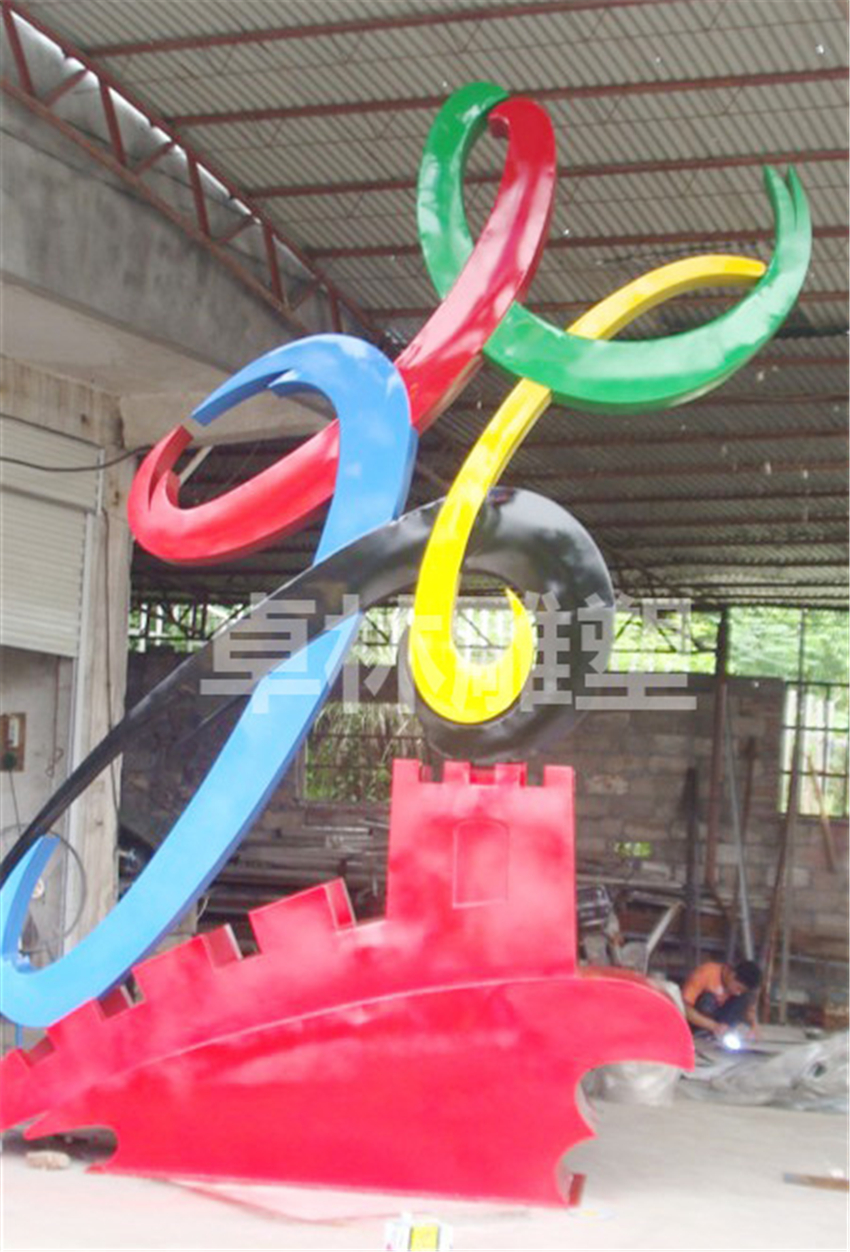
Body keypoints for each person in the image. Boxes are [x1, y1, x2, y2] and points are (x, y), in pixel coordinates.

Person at [682, 958, 762, 1040]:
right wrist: (713, 1026)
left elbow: (749, 1011)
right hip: (699, 1021)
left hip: (720, 1021)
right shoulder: (705, 973)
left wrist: (754, 1026)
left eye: (741, 991)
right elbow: (685, 1008)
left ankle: (724, 1032)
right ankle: (702, 1032)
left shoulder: (738, 992)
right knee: (708, 1000)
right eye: (738, 988)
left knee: (743, 999)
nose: (738, 993)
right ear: (732, 975)